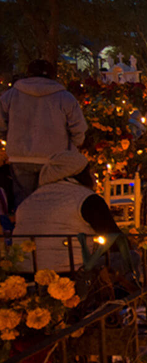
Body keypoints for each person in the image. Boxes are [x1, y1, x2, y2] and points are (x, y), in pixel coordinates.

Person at [14, 150, 125, 273]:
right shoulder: (86, 199)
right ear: (79, 174)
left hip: (25, 273)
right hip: (71, 273)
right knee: (129, 256)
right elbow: (116, 240)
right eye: (90, 171)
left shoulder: (28, 201)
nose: (94, 176)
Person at [0, 59, 87, 207]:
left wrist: (8, 138)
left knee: (24, 203)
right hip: (54, 159)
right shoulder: (65, 98)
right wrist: (72, 147)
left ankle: (26, 228)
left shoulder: (11, 96)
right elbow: (78, 129)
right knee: (50, 203)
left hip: (20, 156)